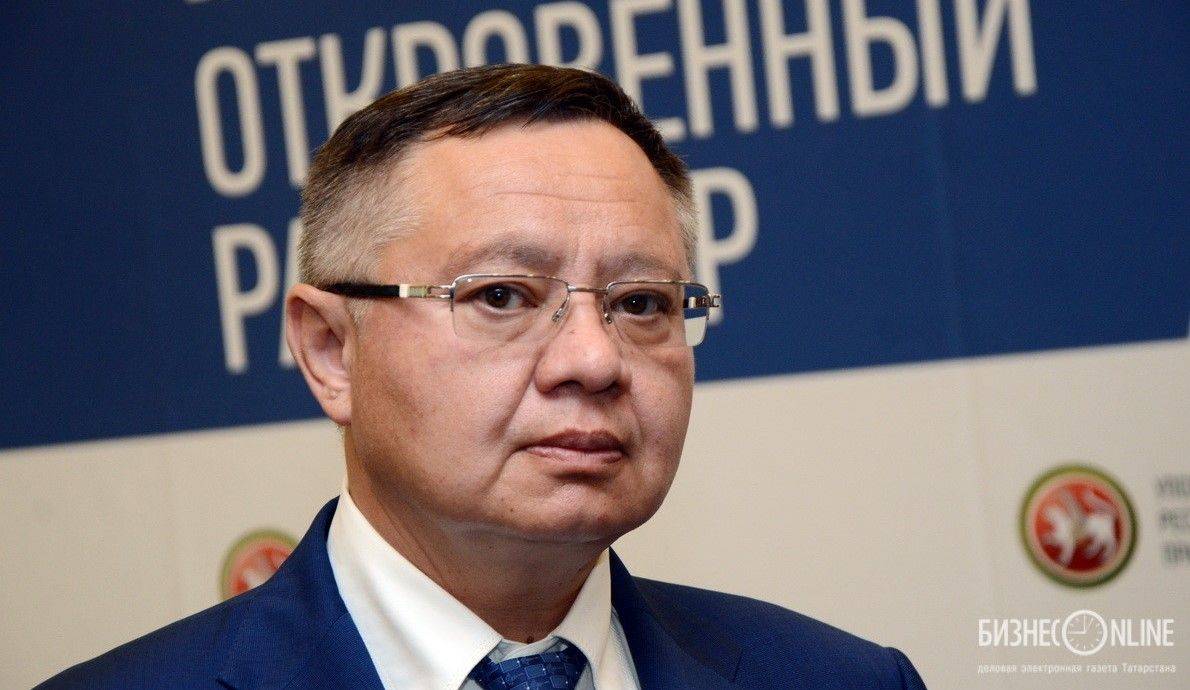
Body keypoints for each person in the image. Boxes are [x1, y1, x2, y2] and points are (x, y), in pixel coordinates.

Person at [38, 64, 926, 689]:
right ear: (331, 351)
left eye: (642, 302)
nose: (594, 360)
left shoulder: (843, 679)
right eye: (502, 295)